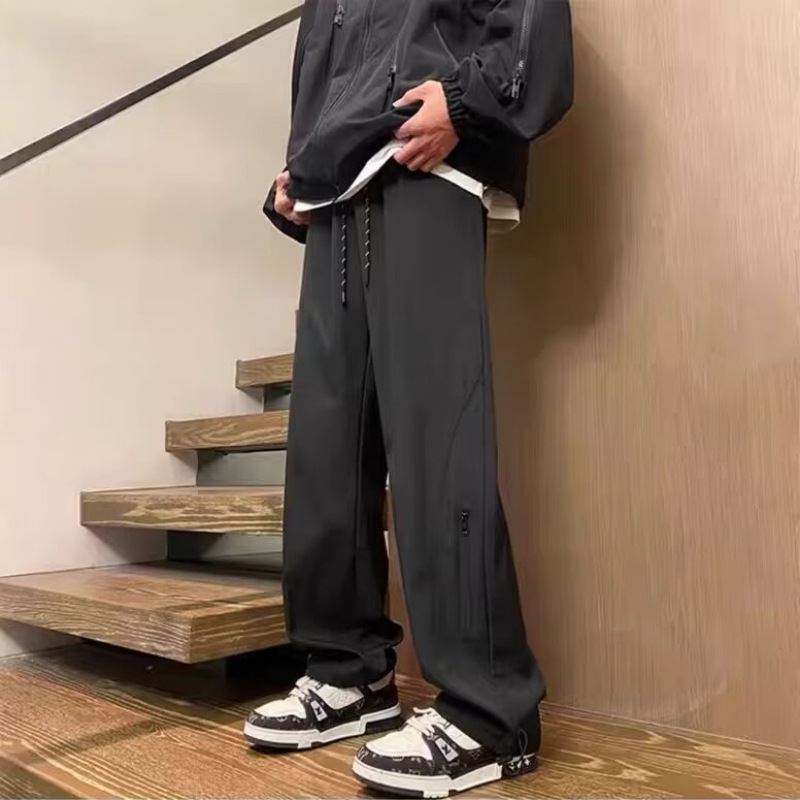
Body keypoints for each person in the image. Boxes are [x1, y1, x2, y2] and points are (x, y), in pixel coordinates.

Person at [244, 1, 574, 795]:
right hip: (340, 178)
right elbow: (331, 56)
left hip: (422, 154)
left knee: (435, 437)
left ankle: (492, 712)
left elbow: (532, 19)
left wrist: (465, 101)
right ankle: (349, 670)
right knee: (325, 444)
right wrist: (304, 159)